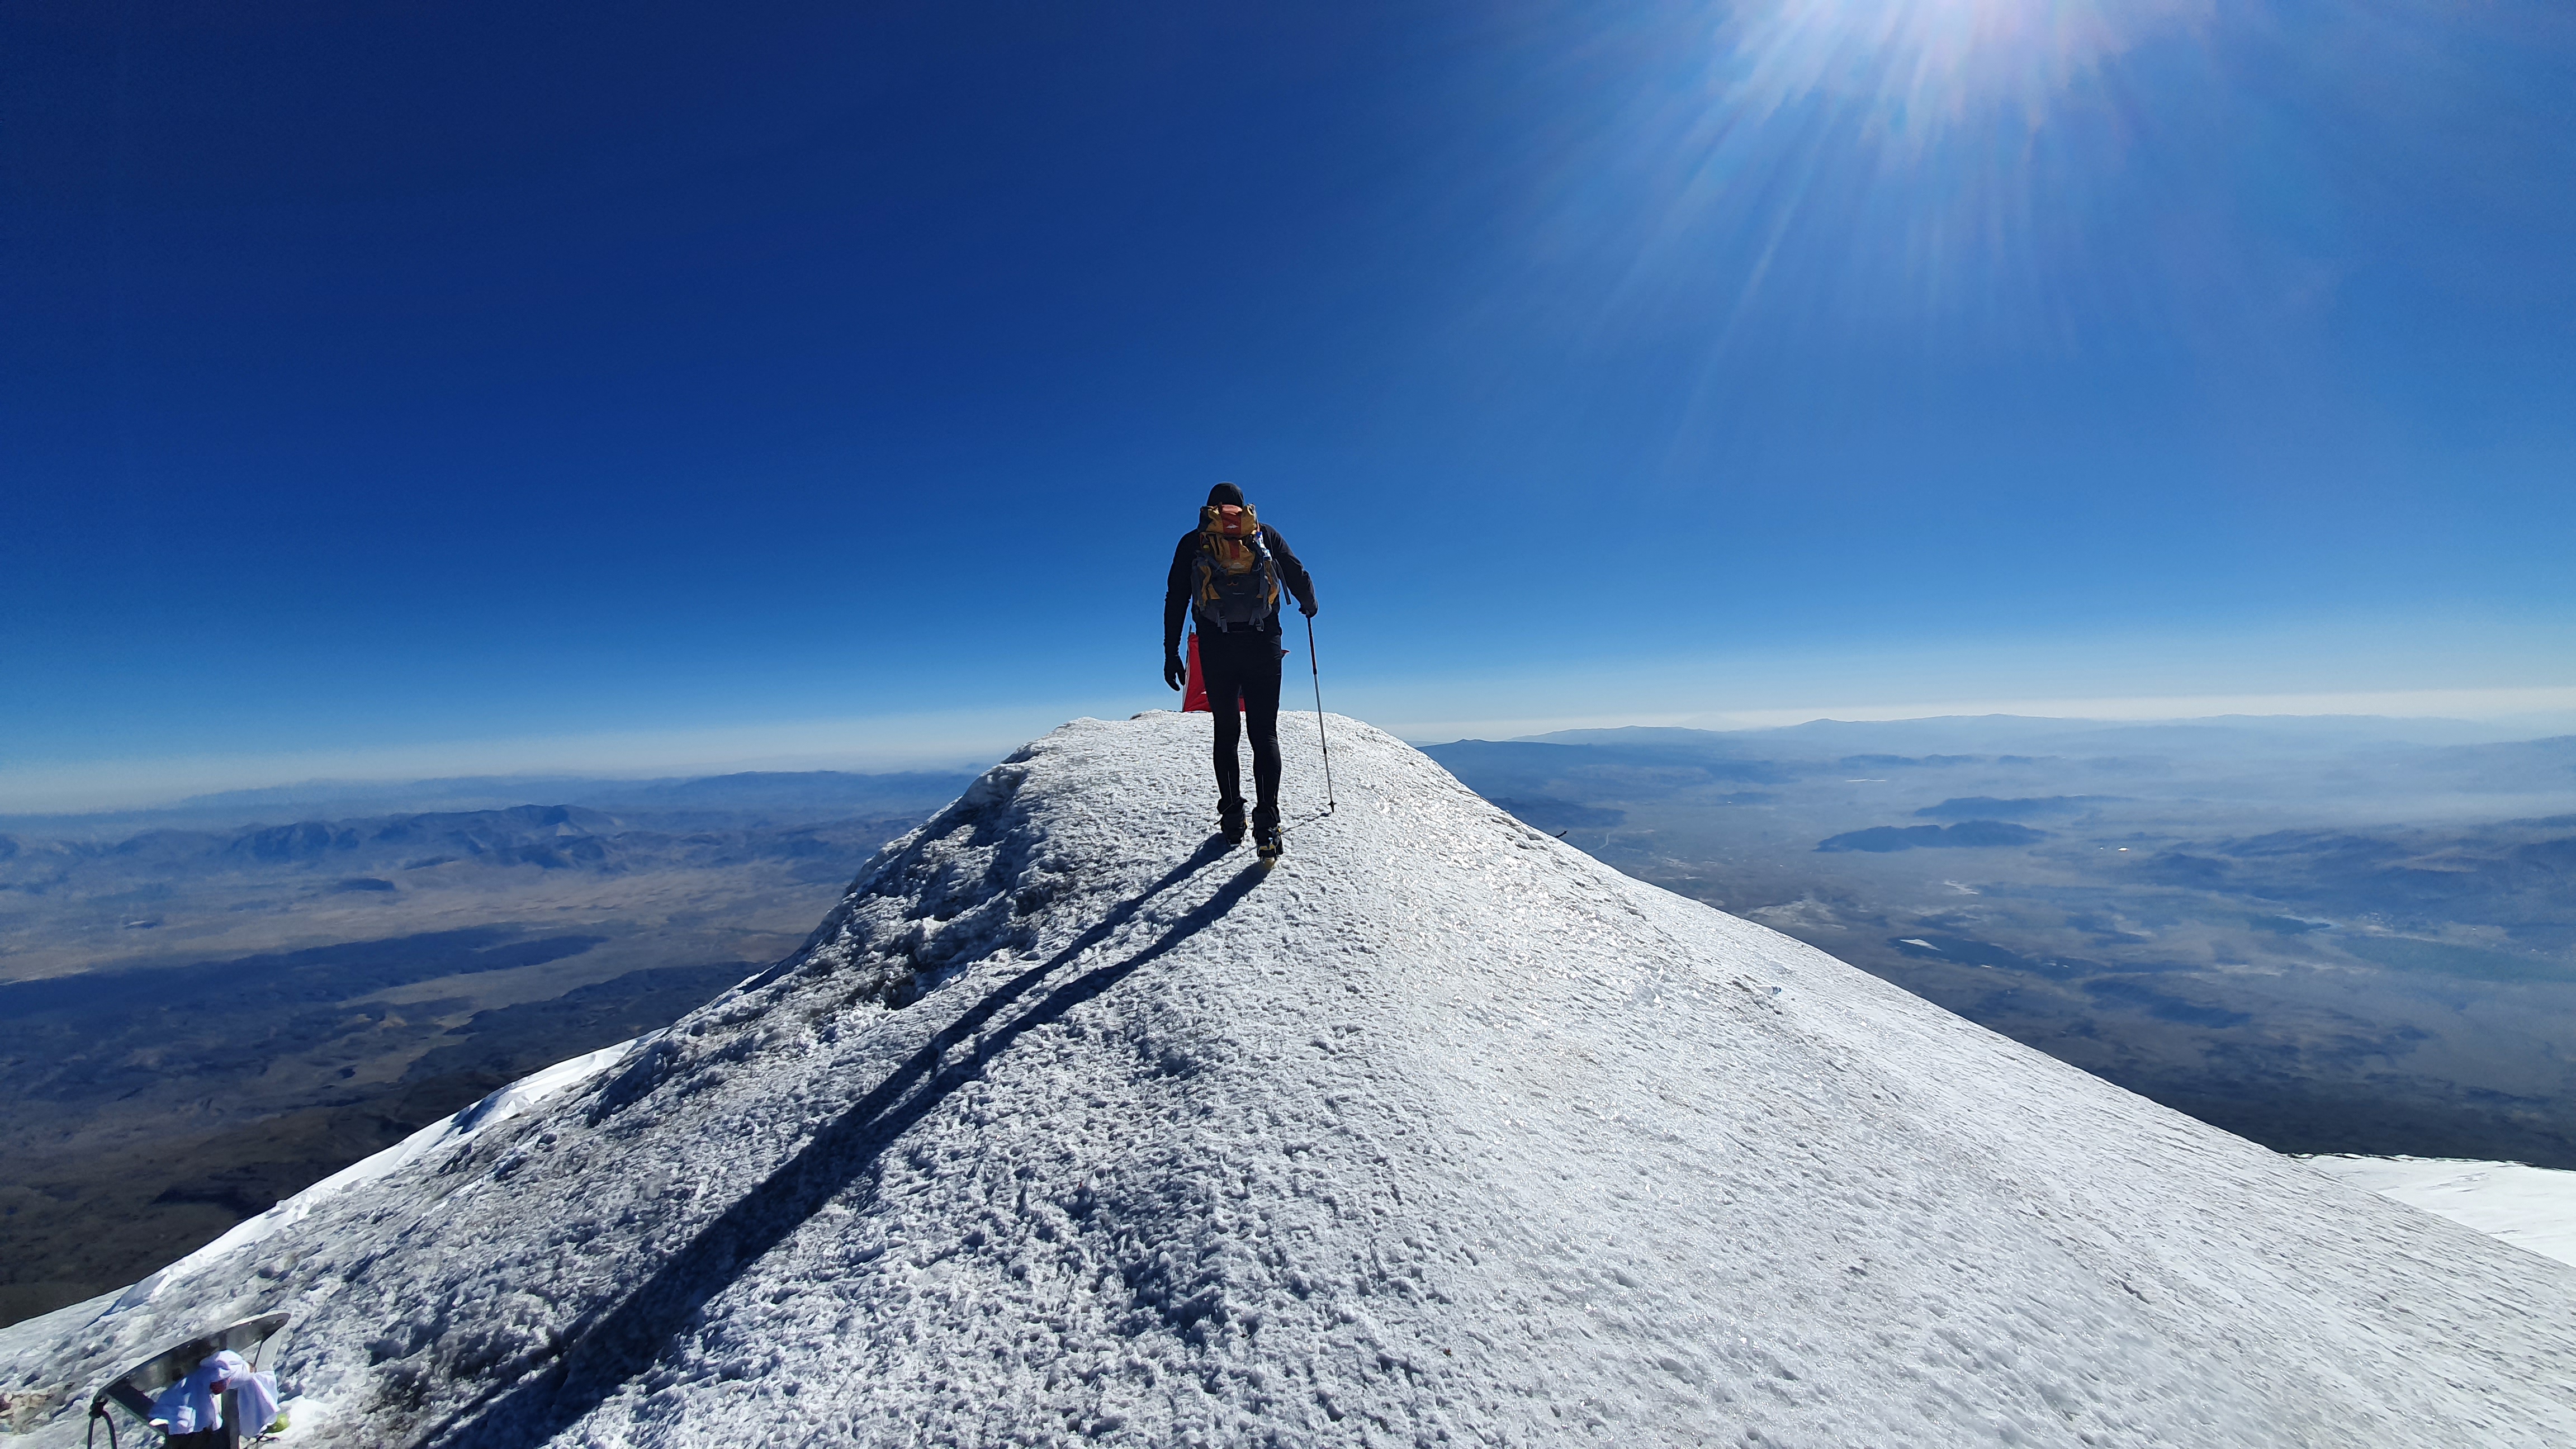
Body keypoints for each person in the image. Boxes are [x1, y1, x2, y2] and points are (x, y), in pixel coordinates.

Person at [1163, 482, 1317, 859]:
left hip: (1216, 646)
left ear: (1211, 507)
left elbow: (1176, 597)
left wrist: (1171, 652)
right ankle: (1267, 824)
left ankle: (1233, 819)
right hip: (1263, 642)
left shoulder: (1193, 541)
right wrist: (1309, 605)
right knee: (1264, 732)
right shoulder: (1264, 535)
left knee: (1227, 731)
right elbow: (1297, 574)